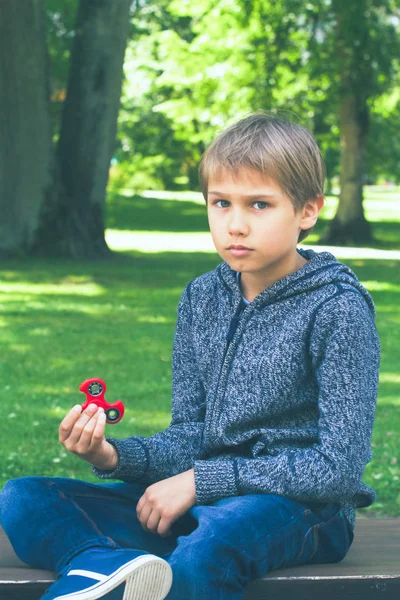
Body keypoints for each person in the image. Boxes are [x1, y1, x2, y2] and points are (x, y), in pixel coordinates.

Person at [0, 112, 380, 600]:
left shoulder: (338, 308)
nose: (235, 224)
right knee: (27, 498)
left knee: (207, 552)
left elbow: (338, 469)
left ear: (307, 211)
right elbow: (191, 433)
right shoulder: (201, 298)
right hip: (202, 500)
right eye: (220, 203)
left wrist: (200, 482)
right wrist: (113, 455)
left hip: (302, 510)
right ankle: (104, 568)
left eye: (259, 204)